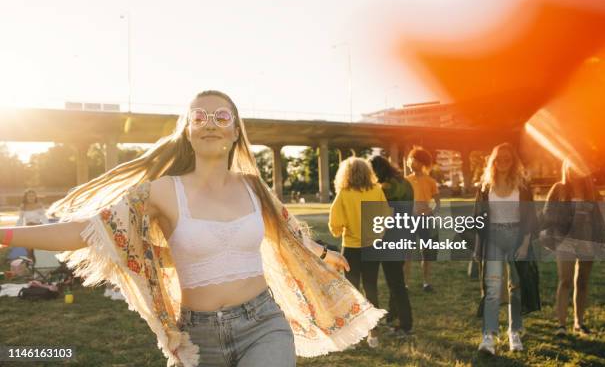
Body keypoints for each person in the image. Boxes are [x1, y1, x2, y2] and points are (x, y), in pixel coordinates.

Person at [0, 90, 386, 367]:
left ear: (236, 131)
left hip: (263, 323)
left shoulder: (254, 187)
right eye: (199, 117)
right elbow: (86, 231)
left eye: (222, 117)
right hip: (198, 338)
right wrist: (5, 235)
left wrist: (323, 253)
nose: (210, 124)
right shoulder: (162, 192)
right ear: (188, 130)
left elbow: (286, 231)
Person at [473, 143, 540, 355]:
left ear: (513, 162)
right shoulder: (485, 187)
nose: (503, 162)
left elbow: (530, 218)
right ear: (493, 161)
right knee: (492, 289)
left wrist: (525, 244)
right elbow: (479, 220)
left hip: (517, 238)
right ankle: (489, 338)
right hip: (493, 238)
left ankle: (514, 333)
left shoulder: (522, 186)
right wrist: (478, 248)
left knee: (516, 287)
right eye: (499, 158)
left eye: (507, 158)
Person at [541, 158, 605, 337]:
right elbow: (547, 213)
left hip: (587, 240)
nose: (575, 171)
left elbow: (598, 217)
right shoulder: (559, 188)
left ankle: (579, 323)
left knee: (582, 282)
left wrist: (603, 239)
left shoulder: (591, 190)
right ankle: (561, 325)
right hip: (566, 241)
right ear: (566, 168)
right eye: (571, 167)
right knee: (565, 281)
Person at [328, 156, 389, 348]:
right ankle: (374, 334)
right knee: (371, 288)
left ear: (346, 174)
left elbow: (335, 225)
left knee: (351, 292)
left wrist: (341, 229)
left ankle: (353, 337)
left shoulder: (344, 194)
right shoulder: (377, 190)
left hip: (352, 248)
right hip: (373, 247)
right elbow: (386, 217)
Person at [369, 155, 414, 337]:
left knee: (395, 283)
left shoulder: (385, 188)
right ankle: (393, 317)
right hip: (405, 234)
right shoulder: (404, 182)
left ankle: (405, 324)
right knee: (397, 280)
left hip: (389, 238)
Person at [404, 147, 440, 292]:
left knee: (427, 253)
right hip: (410, 220)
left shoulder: (430, 181)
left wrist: (431, 211)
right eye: (412, 159)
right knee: (407, 253)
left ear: (423, 163)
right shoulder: (405, 181)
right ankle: (405, 284)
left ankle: (426, 283)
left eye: (417, 160)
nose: (413, 162)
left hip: (427, 220)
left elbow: (437, 201)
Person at [7, 189, 49, 263]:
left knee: (38, 248)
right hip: (28, 228)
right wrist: (15, 229)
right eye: (29, 196)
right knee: (29, 249)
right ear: (26, 197)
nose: (31, 197)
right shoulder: (23, 206)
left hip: (38, 228)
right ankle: (31, 265)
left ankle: (38, 265)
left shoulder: (39, 205)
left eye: (33, 196)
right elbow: (20, 219)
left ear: (35, 197)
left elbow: (44, 217)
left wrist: (48, 227)